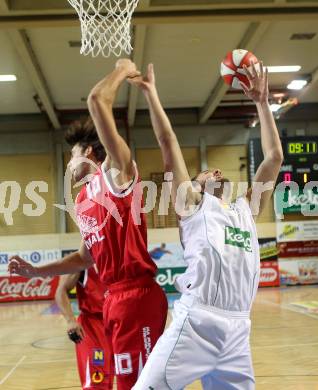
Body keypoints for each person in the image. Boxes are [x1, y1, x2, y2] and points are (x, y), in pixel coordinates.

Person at [9, 59, 168, 390]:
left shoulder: (115, 173)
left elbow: (97, 100)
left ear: (92, 151)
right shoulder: (82, 201)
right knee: (119, 383)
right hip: (112, 300)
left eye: (73, 152)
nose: (70, 161)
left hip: (137, 295)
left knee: (141, 384)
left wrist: (124, 69)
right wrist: (35, 272)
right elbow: (84, 259)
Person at [128, 61, 283, 389]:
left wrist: (261, 101)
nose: (215, 172)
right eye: (205, 173)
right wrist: (151, 93)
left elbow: (273, 158)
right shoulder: (193, 207)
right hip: (196, 324)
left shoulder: (247, 209)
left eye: (217, 170)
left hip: (238, 331)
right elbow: (169, 145)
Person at [55, 266, 113, 389]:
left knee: (131, 381)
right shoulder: (81, 261)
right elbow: (61, 290)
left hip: (121, 325)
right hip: (94, 328)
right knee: (98, 381)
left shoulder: (120, 257)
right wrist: (71, 320)